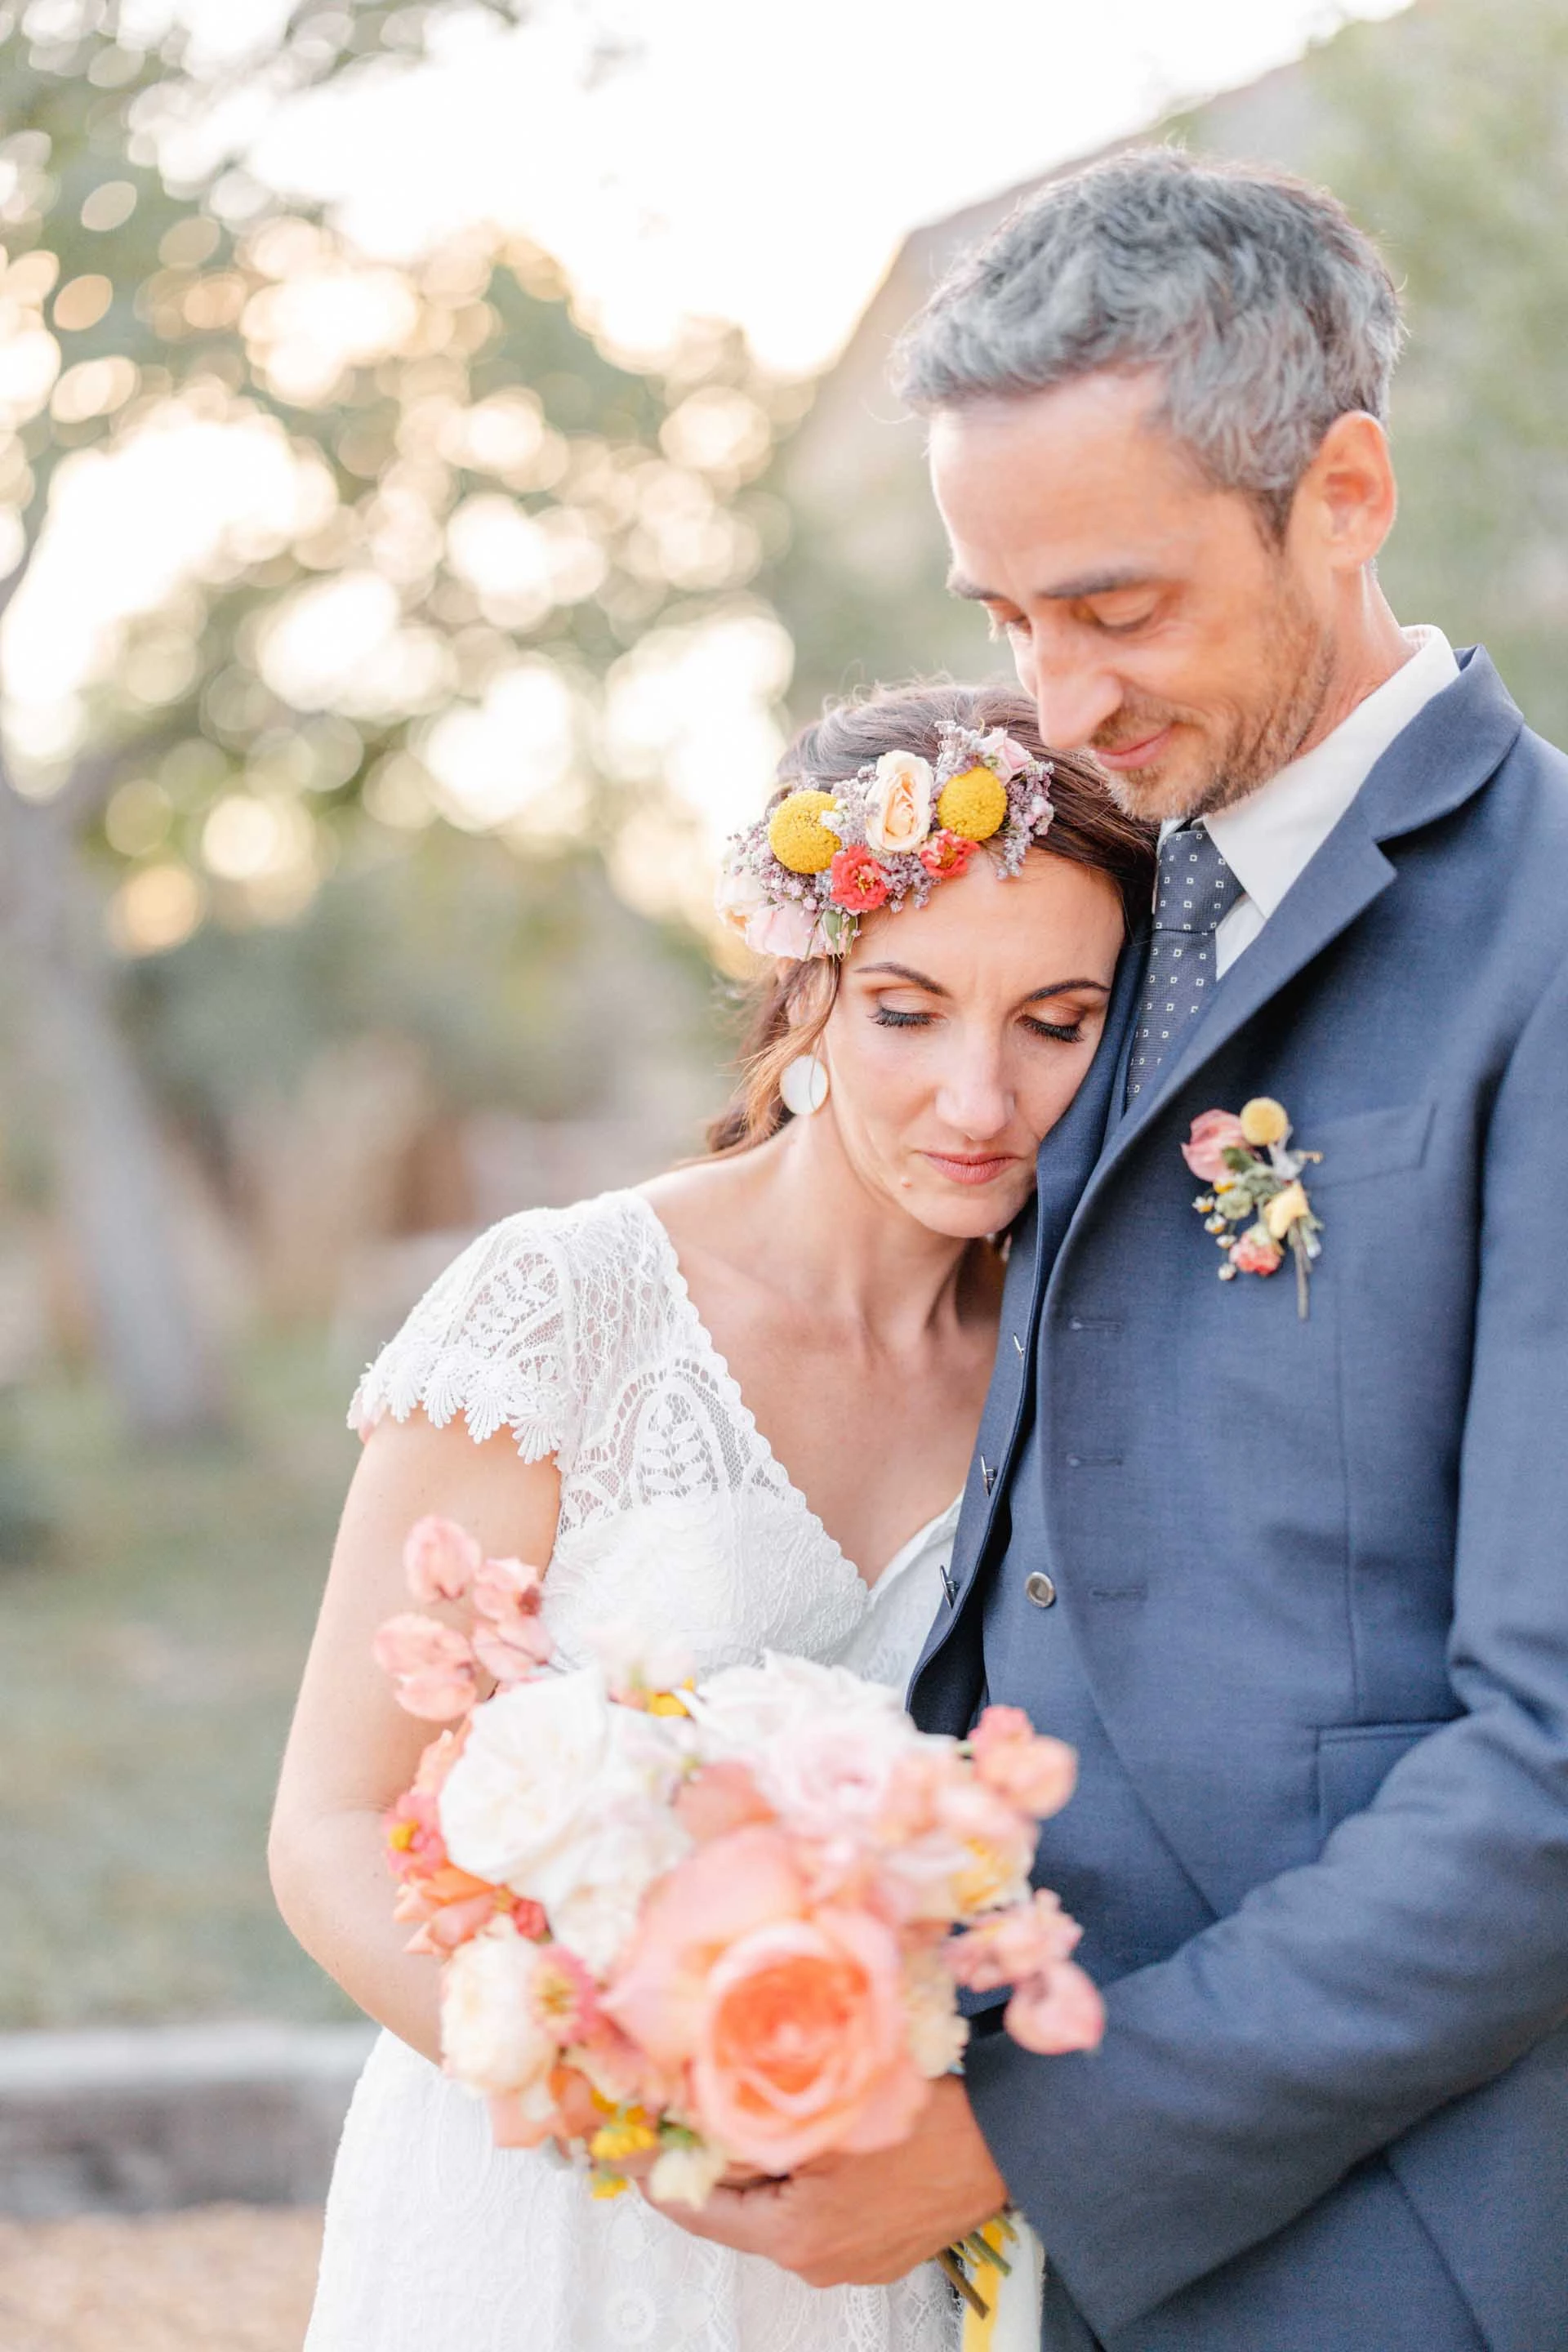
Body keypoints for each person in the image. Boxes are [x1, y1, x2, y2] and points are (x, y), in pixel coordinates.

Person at [656, 149, 1568, 2351]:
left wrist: (1035, 2139)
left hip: (1395, 2255)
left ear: (1341, 492)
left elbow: (1551, 1766)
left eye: (1120, 607)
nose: (1057, 707)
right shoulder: (1081, 891)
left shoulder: (1545, 948)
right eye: (1007, 621)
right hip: (1018, 2259)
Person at [269, 679, 1153, 2352]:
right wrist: (644, 2119)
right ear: (805, 991)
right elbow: (328, 1828)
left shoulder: (1087, 1364)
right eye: (907, 1010)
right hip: (557, 2212)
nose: (980, 1100)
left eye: (1056, 1021)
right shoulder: (566, 1304)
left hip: (897, 2227)